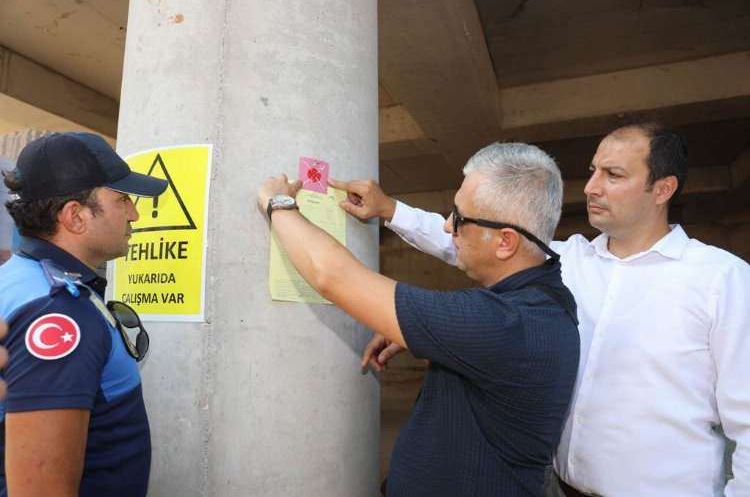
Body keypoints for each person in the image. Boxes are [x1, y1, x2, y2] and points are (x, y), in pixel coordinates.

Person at [331, 122, 750, 497]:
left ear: (663, 189)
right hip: (558, 488)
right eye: (593, 171)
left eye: (614, 175)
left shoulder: (720, 279)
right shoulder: (570, 260)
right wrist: (390, 210)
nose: (591, 187)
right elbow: (477, 239)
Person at [257, 142, 579, 496]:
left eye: (460, 218)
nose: (448, 226)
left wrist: (279, 204)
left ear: (505, 242)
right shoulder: (544, 302)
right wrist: (432, 339)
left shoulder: (506, 323)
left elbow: (333, 276)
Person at [0, 132, 167, 497]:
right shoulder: (61, 314)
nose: (134, 213)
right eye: (122, 200)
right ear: (75, 216)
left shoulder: (19, 278)